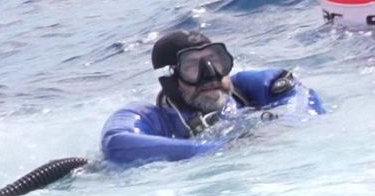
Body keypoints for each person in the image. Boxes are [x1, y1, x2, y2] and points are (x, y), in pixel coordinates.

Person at [100, 29, 323, 166]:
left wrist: (280, 129)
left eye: (215, 61)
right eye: (192, 66)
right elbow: (117, 144)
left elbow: (305, 102)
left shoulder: (250, 88)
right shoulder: (149, 118)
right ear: (169, 79)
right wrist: (222, 149)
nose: (210, 74)